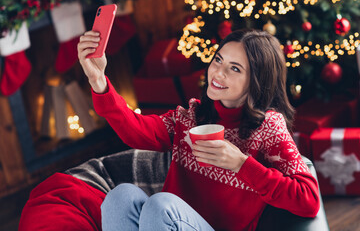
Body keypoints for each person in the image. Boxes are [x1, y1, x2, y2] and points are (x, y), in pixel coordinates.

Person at [77, 29, 320, 231]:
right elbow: (136, 130)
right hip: (169, 223)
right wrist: (98, 81)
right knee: (121, 197)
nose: (218, 73)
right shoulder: (192, 116)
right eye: (218, 60)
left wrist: (241, 164)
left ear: (257, 81)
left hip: (185, 219)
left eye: (235, 69)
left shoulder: (268, 127)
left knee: (161, 205)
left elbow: (308, 199)